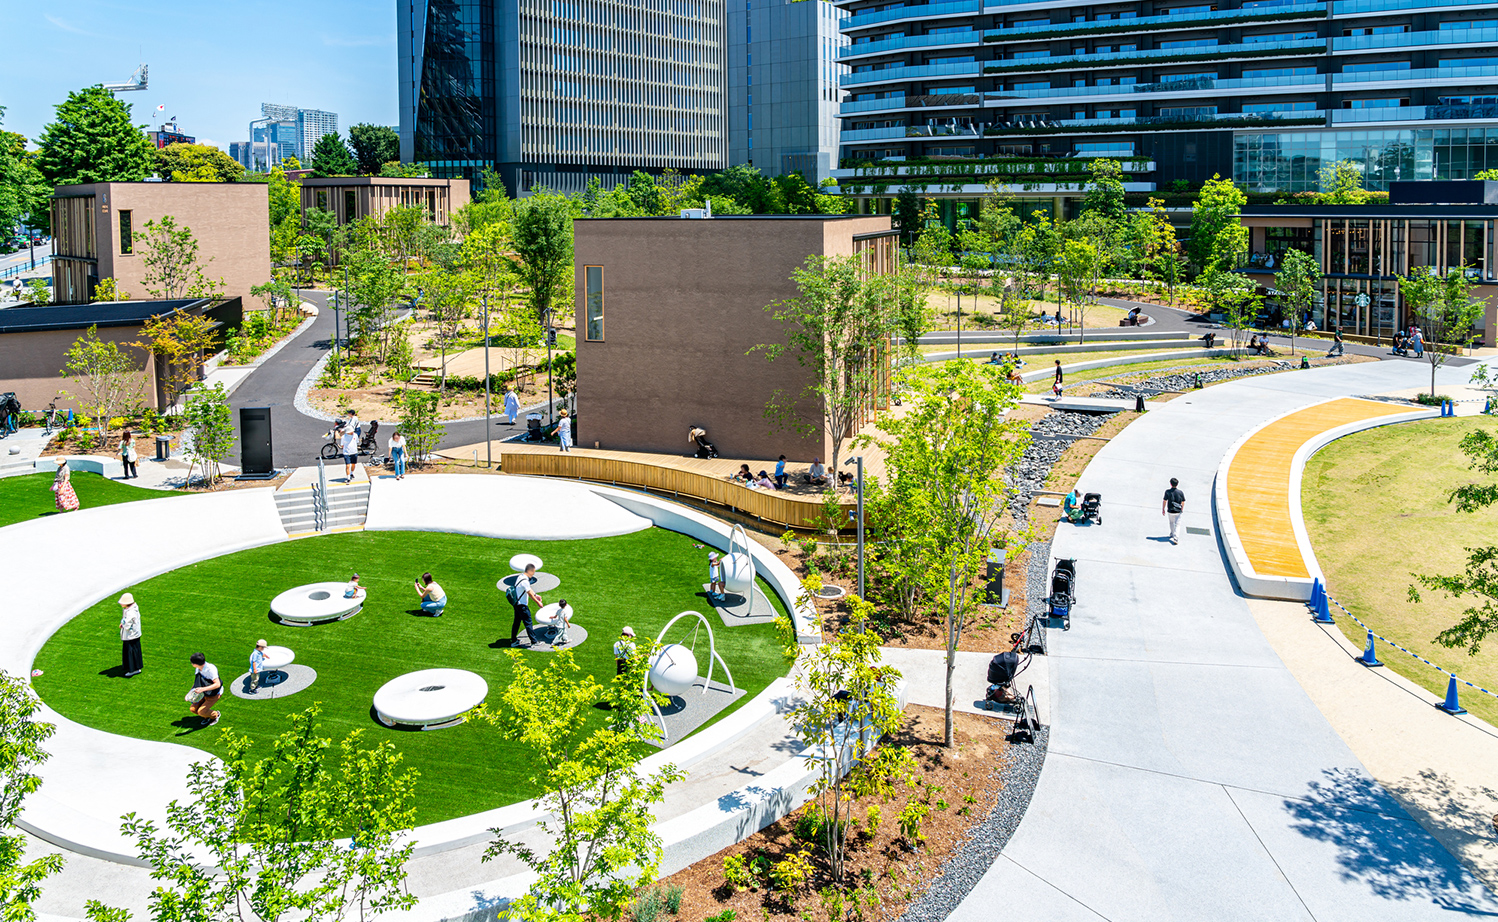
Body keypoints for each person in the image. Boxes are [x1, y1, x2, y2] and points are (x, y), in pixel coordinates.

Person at [506, 564, 544, 647]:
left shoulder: (521, 577)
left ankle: (514, 640)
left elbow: (529, 589)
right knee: (528, 623)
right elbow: (529, 593)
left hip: (517, 604)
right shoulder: (525, 581)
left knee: (516, 622)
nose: (533, 574)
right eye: (533, 572)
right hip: (522, 606)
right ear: (530, 571)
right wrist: (538, 602)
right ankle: (534, 641)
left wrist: (536, 594)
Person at [186, 652, 222, 726]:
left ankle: (215, 715)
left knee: (201, 712)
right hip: (203, 692)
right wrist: (190, 693)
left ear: (195, 664)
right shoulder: (198, 669)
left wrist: (202, 689)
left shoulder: (211, 669)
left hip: (214, 693)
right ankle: (207, 715)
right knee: (193, 709)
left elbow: (217, 684)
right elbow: (197, 682)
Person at [119, 593, 142, 677]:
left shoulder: (130, 612)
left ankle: (133, 669)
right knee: (134, 650)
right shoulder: (131, 609)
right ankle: (133, 666)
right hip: (133, 635)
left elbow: (127, 625)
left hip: (131, 636)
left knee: (131, 652)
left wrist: (123, 625)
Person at [1162, 477, 1186, 545]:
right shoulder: (1180, 492)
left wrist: (1163, 509)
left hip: (1170, 510)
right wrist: (1182, 509)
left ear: (1170, 484)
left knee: (1171, 522)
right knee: (1178, 524)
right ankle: (1176, 538)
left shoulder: (1167, 492)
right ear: (1177, 484)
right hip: (1178, 511)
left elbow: (1165, 500)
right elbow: (1183, 501)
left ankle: (1172, 533)